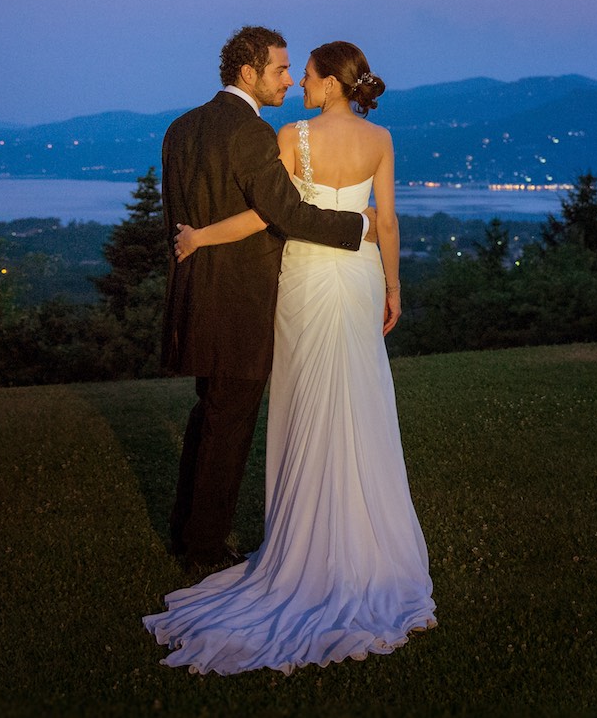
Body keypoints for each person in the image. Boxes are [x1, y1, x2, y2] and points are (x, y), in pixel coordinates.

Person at [144, 39, 436, 673]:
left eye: (304, 75)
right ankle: (361, 538)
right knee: (357, 397)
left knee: (299, 402)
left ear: (330, 83)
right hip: (356, 275)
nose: (296, 83)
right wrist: (391, 285)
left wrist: (197, 237)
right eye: (288, 71)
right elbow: (383, 222)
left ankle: (287, 540)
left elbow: (261, 216)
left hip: (302, 279)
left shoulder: (278, 135)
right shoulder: (380, 139)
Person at [157, 26, 370, 574]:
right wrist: (358, 226)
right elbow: (287, 214)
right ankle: (204, 550)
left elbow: (177, 218)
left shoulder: (179, 129)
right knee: (228, 427)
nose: (287, 79)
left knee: (209, 415)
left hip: (195, 291)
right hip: (240, 299)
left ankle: (187, 532)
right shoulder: (250, 133)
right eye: (279, 69)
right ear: (248, 72)